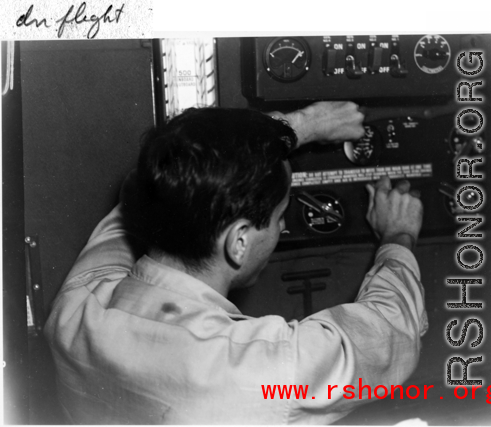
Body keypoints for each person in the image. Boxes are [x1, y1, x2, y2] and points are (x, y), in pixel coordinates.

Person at [44, 101, 427, 424]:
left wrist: (300, 127)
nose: (280, 229)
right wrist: (398, 236)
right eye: (280, 218)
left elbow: (144, 187)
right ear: (239, 241)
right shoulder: (266, 369)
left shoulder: (74, 309)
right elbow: (389, 330)